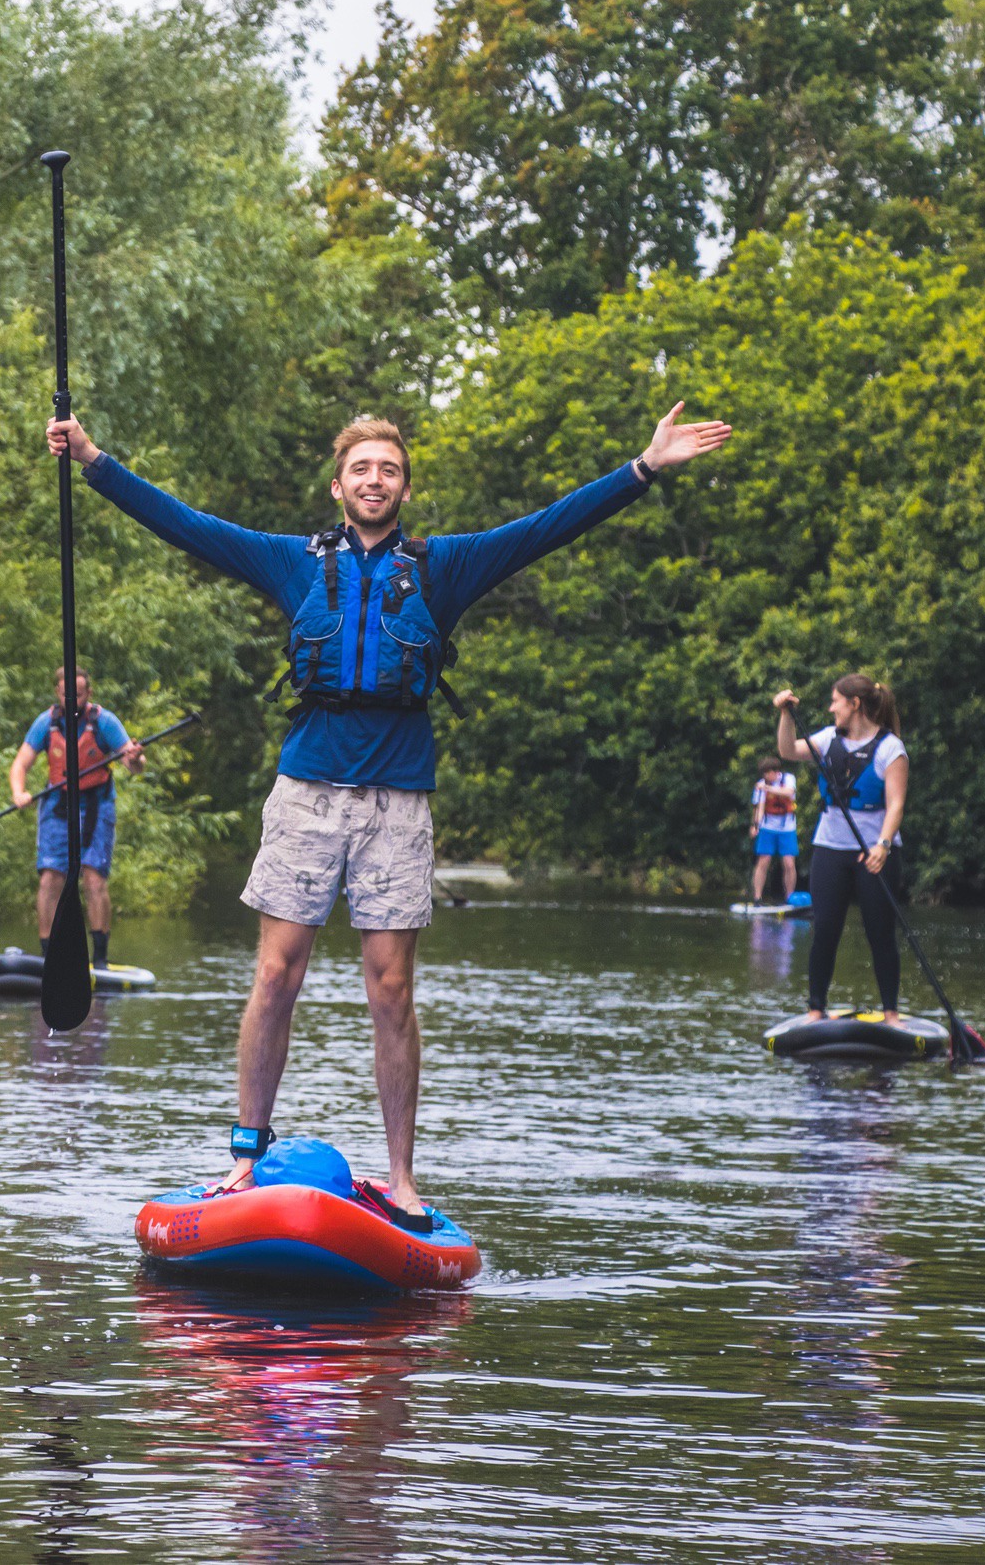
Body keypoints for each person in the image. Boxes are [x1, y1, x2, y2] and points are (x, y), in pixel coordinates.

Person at [45, 404, 734, 1219]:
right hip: (306, 792)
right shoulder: (292, 562)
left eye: (390, 469)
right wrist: (93, 459)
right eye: (363, 469)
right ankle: (243, 1156)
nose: (376, 480)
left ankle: (403, 1177)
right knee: (275, 974)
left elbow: (550, 527)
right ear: (339, 486)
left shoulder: (447, 566)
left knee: (391, 989)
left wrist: (644, 467)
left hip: (398, 801)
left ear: (405, 486)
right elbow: (188, 526)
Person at [773, 675, 908, 1021]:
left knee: (880, 933)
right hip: (830, 847)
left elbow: (895, 805)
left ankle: (891, 1012)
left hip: (874, 853)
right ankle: (816, 1009)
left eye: (836, 701)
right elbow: (787, 751)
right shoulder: (827, 738)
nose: (831, 707)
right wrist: (786, 716)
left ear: (855, 705)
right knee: (825, 931)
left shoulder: (891, 748)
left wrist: (883, 845)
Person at [7, 667, 144, 966]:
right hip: (58, 806)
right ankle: (49, 957)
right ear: (57, 692)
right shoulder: (46, 723)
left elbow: (133, 763)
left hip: (97, 805)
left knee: (93, 879)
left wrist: (135, 759)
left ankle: (100, 960)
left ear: (88, 693)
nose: (73, 698)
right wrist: (19, 793)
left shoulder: (104, 722)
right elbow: (20, 765)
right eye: (68, 693)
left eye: (79, 693)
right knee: (49, 880)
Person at [749, 755, 801, 902]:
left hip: (787, 828)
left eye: (768, 772)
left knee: (789, 863)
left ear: (775, 771)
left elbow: (789, 792)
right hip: (767, 828)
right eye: (764, 773)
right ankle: (757, 898)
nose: (766, 776)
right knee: (763, 861)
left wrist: (767, 788)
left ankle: (789, 897)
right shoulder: (761, 785)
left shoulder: (788, 779)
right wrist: (755, 826)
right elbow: (759, 808)